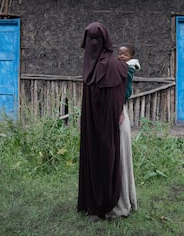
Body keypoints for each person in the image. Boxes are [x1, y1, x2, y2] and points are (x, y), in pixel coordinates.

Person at [77, 22, 128, 221]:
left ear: (105, 40)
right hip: (91, 124)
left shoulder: (115, 65)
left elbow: (120, 91)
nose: (94, 44)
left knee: (108, 158)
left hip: (109, 123)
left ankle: (107, 204)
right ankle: (92, 204)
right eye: (90, 40)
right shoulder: (88, 66)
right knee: (92, 157)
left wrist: (118, 113)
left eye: (97, 39)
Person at [105, 44, 140, 219]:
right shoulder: (123, 66)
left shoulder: (129, 68)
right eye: (119, 54)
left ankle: (122, 200)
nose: (120, 56)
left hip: (120, 109)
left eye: (124, 54)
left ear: (131, 56)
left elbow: (124, 92)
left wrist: (119, 107)